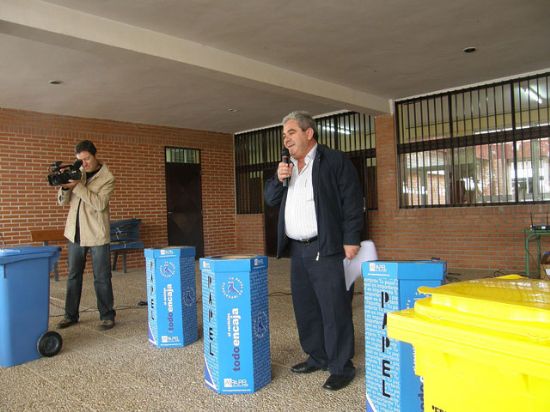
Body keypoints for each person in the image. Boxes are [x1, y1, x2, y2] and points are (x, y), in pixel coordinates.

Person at [264, 111, 363, 391]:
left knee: (334, 308)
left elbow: (352, 202)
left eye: (291, 133)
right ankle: (317, 356)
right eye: (284, 136)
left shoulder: (334, 161)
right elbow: (270, 199)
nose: (286, 140)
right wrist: (277, 177)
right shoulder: (288, 168)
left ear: (309, 133)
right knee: (306, 308)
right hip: (298, 249)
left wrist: (351, 238)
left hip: (328, 246)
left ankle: (342, 366)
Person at [56, 140, 117, 331]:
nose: (84, 163)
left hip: (97, 234)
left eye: (87, 158)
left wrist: (78, 186)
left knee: (102, 277)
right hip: (75, 233)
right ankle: (70, 315)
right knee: (73, 276)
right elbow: (62, 202)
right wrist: (66, 187)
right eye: (80, 160)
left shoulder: (107, 177)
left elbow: (99, 204)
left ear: (94, 155)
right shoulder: (77, 173)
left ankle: (107, 316)